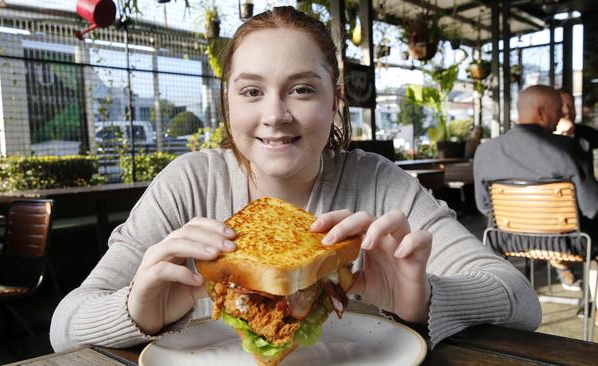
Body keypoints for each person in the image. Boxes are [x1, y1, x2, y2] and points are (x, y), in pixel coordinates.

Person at [50, 6, 540, 352]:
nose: (274, 115)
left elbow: (520, 301)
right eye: (251, 91)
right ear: (227, 102)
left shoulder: (377, 181)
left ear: (335, 100)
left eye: (302, 89)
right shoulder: (188, 183)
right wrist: (139, 310)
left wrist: (424, 297)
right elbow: (65, 327)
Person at [474, 85, 598, 290]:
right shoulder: (569, 148)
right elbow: (592, 208)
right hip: (569, 243)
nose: (562, 116)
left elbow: (484, 206)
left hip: (506, 241)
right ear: (541, 112)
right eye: (558, 110)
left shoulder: (485, 151)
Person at [555, 88, 598, 177]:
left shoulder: (585, 132)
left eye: (571, 106)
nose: (567, 111)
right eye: (561, 106)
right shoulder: (542, 136)